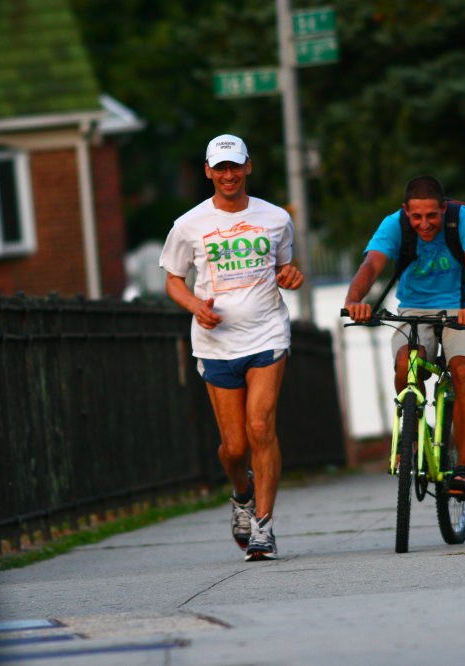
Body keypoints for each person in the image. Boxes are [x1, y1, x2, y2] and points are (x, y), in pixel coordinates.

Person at [160, 134, 304, 560]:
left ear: (248, 167)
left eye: (235, 166)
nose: (228, 175)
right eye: (220, 168)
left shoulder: (276, 217)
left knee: (261, 428)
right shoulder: (188, 224)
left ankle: (263, 527)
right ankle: (242, 493)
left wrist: (291, 276)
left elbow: (285, 268)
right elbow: (173, 280)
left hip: (266, 334)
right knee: (235, 446)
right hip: (216, 343)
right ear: (208, 171)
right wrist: (194, 306)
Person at [343, 176, 465, 499]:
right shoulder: (394, 224)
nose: (424, 224)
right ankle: (410, 437)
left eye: (432, 216)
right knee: (406, 365)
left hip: (463, 308)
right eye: (416, 217)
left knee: (462, 370)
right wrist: (354, 300)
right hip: (414, 309)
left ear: (443, 209)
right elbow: (371, 264)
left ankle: (464, 467)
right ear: (405, 211)